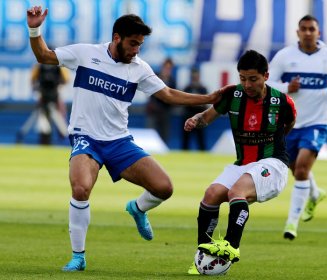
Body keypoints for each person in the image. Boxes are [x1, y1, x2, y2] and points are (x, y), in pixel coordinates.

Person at [26, 6, 229, 272]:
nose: (136, 50)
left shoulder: (139, 68)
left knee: (164, 188)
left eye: (140, 45)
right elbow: (43, 55)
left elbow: (167, 94)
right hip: (86, 137)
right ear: (117, 37)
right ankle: (78, 256)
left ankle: (137, 208)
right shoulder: (86, 54)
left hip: (119, 141)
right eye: (133, 43)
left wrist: (210, 98)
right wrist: (34, 28)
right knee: (80, 188)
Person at [185, 50, 296, 274]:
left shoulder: (282, 101)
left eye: (253, 79)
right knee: (211, 194)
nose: (247, 84)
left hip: (272, 163)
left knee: (237, 191)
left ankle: (231, 246)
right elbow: (205, 118)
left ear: (266, 75)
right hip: (243, 163)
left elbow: (289, 125)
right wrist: (194, 120)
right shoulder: (232, 96)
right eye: (242, 78)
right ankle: (204, 255)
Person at [267, 14, 327, 240]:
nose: (308, 32)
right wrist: (285, 87)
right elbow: (268, 82)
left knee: (301, 169)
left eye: (312, 29)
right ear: (297, 32)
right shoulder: (285, 56)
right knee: (296, 169)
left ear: (318, 33)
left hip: (317, 121)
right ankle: (315, 193)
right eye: (304, 28)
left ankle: (291, 223)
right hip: (290, 122)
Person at [16, 62, 69, 145]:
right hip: (48, 97)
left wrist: (36, 90)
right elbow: (66, 80)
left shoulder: (40, 66)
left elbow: (32, 80)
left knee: (58, 120)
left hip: (47, 96)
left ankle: (63, 136)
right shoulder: (56, 66)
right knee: (45, 121)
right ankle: (63, 137)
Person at [146, 58, 176, 145]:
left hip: (165, 110)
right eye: (166, 67)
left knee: (164, 132)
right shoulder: (155, 77)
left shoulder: (172, 80)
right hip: (154, 109)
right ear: (162, 67)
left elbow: (173, 95)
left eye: (169, 68)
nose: (167, 70)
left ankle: (163, 148)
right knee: (151, 131)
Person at [181, 67, 208, 151]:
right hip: (188, 115)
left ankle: (202, 153)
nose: (195, 77)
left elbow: (206, 102)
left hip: (199, 116)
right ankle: (184, 153)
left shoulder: (203, 88)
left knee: (200, 138)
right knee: (186, 138)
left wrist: (193, 103)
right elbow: (183, 102)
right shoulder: (187, 88)